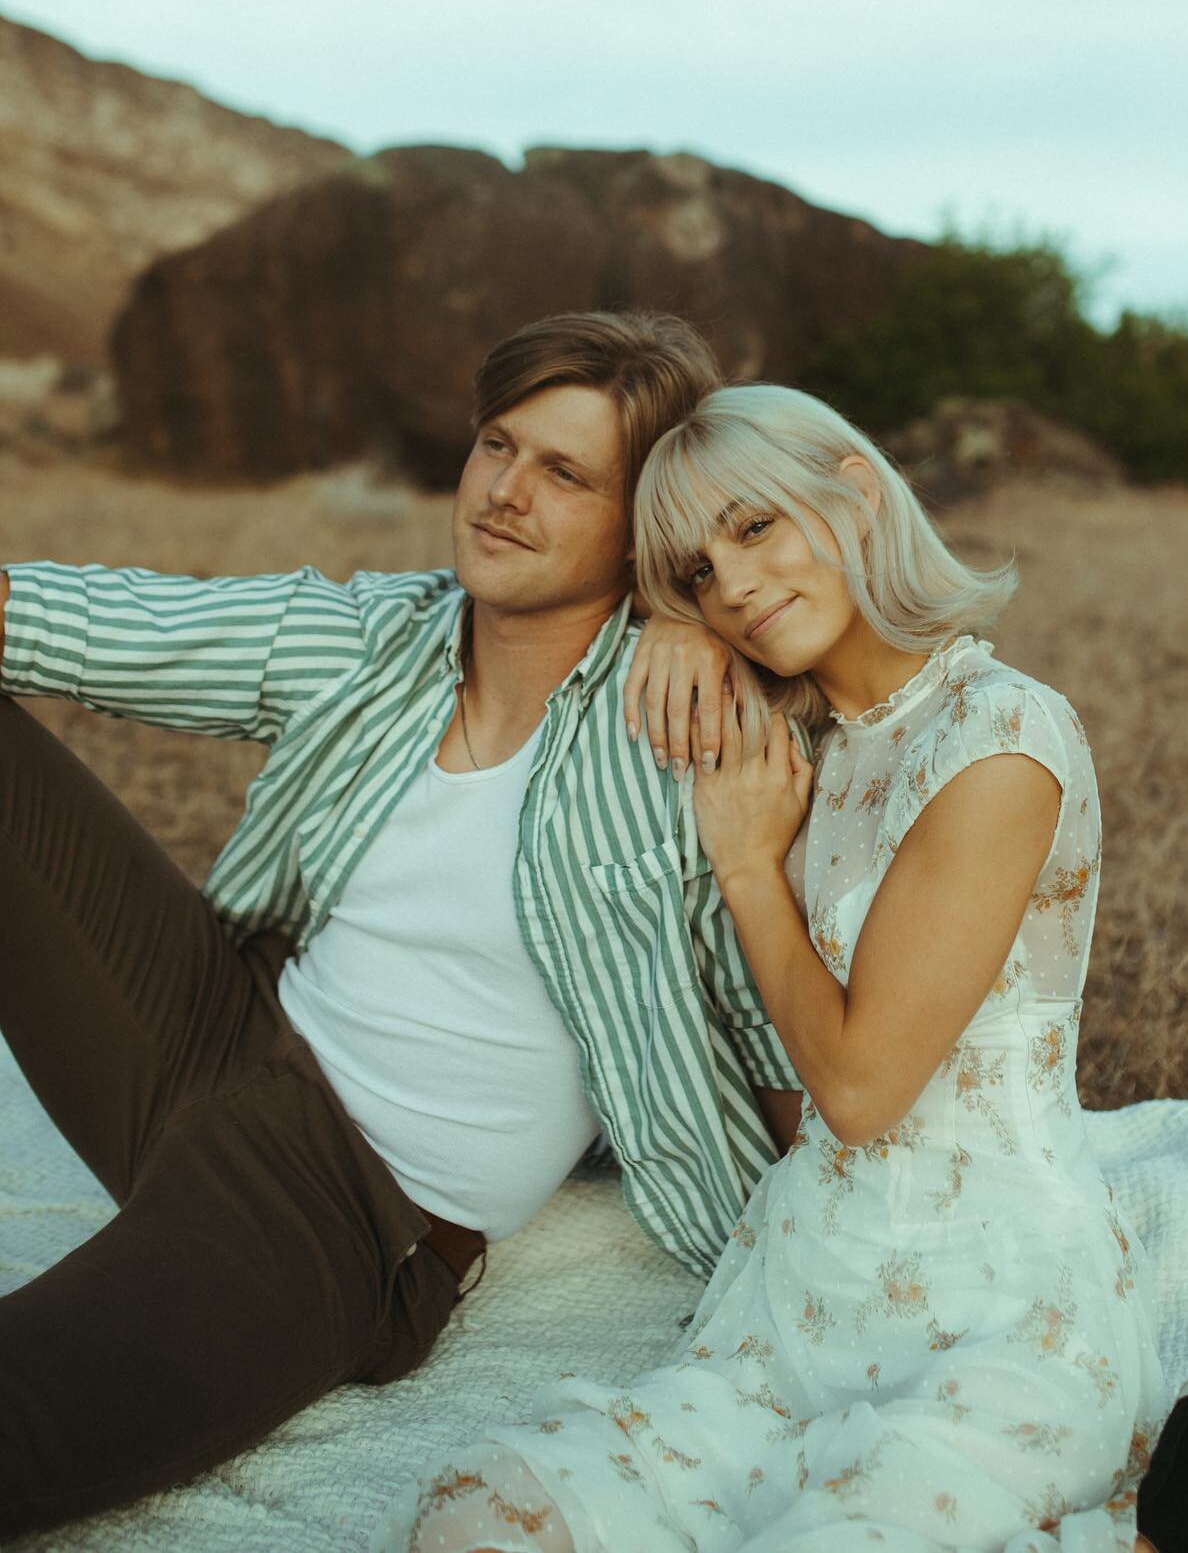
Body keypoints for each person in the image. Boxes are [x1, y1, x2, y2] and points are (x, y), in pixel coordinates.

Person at [376, 385, 1188, 1553]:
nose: (736, 585)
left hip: (997, 1298)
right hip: (803, 1281)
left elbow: (858, 1092)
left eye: (757, 527)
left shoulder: (1000, 736)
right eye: (699, 570)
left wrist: (752, 870)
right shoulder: (792, 734)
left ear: (855, 494)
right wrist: (672, 622)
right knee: (473, 1520)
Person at [0, 311, 801, 1535]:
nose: (506, 491)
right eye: (497, 445)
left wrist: (689, 615)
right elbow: (105, 622)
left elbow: (775, 1009)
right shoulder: (376, 638)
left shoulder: (683, 728)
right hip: (213, 1034)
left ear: (645, 526)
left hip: (350, 1210)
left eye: (565, 472)